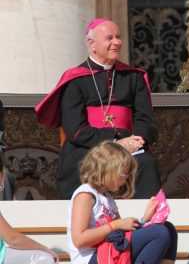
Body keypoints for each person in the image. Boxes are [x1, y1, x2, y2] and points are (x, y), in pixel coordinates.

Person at [35, 19, 161, 200]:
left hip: (129, 147)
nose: (116, 42)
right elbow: (75, 130)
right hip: (86, 148)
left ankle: (147, 222)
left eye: (118, 37)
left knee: (145, 162)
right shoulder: (74, 79)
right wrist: (116, 142)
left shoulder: (134, 76)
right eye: (109, 38)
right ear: (91, 44)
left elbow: (145, 119)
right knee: (79, 164)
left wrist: (135, 141)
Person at [67, 141, 177, 264]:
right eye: (123, 173)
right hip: (92, 258)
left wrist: (144, 221)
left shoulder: (107, 198)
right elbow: (79, 239)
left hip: (110, 251)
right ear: (108, 169)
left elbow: (120, 235)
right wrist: (116, 225)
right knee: (159, 233)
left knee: (168, 228)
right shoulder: (85, 194)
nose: (125, 179)